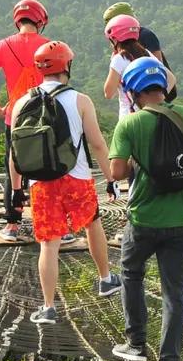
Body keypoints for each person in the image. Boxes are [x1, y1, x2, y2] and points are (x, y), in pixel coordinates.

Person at [108, 56, 183, 361]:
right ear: (163, 87)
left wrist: (136, 158)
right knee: (175, 293)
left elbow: (117, 172)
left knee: (131, 273)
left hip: (143, 219)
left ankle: (136, 344)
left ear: (133, 93)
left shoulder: (130, 125)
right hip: (181, 220)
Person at [14, 41, 123, 325]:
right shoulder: (80, 100)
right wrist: (110, 180)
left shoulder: (21, 103)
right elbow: (98, 145)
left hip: (41, 183)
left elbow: (14, 154)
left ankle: (48, 307)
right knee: (92, 223)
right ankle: (106, 279)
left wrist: (16, 190)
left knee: (48, 245)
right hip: (77, 178)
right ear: (67, 66)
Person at [0, 0, 51, 242]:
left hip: (14, 116)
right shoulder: (49, 45)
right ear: (40, 21)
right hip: (44, 116)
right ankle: (48, 223)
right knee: (45, 169)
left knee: (14, 168)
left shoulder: (2, 46)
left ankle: (12, 225)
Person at [103, 14, 176, 123]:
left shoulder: (119, 59)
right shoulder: (147, 53)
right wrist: (160, 98)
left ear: (115, 38)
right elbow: (171, 79)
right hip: (155, 115)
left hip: (130, 118)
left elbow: (109, 93)